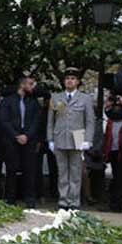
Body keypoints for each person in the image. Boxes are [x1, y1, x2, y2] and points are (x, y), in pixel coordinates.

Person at [47, 67, 95, 210]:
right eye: (67, 78)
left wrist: (88, 139)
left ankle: (74, 201)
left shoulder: (85, 99)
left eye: (73, 79)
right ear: (64, 81)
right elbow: (51, 120)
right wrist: (50, 139)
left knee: (75, 171)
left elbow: (90, 121)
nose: (70, 81)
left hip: (78, 137)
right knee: (62, 171)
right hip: (60, 136)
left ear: (78, 81)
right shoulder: (55, 97)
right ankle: (63, 200)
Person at [0, 77, 41, 208]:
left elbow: (37, 121)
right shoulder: (8, 101)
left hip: (29, 140)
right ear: (22, 85)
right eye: (30, 84)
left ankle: (29, 198)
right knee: (11, 169)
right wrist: (16, 135)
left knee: (30, 169)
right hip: (12, 140)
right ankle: (10, 197)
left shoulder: (33, 102)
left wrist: (27, 135)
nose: (33, 86)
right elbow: (4, 121)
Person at [104, 95, 122, 212]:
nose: (116, 109)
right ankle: (115, 204)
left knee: (120, 178)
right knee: (117, 177)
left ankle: (118, 203)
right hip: (113, 151)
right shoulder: (111, 120)